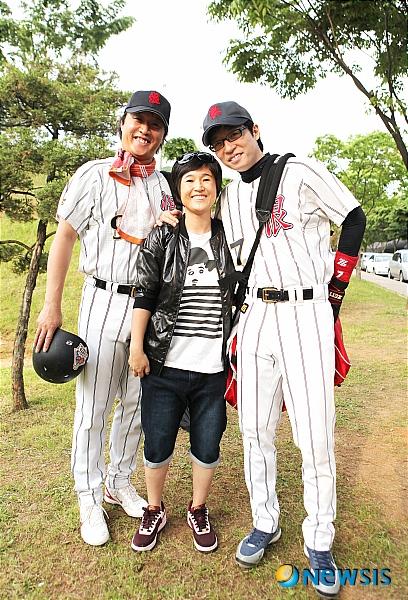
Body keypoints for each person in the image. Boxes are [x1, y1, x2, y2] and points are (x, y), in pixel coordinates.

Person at [201, 101, 366, 598]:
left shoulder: (300, 171)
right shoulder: (229, 195)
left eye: (233, 135)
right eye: (217, 143)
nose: (227, 147)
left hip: (304, 311)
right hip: (255, 316)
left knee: (314, 435)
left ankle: (319, 538)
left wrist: (336, 293)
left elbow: (353, 217)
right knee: (254, 430)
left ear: (255, 130)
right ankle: (265, 521)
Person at [34, 90, 181, 547]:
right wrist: (52, 304)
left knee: (137, 404)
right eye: (138, 120)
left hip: (148, 307)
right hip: (102, 298)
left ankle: (119, 480)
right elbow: (64, 237)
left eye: (154, 124)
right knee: (94, 407)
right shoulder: (95, 174)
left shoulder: (165, 185)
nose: (145, 130)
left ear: (162, 135)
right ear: (123, 123)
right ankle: (89, 494)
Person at [128, 152, 235, 553]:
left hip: (213, 369)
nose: (198, 187)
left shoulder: (231, 237)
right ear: (178, 190)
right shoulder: (163, 236)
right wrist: (137, 347)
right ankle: (154, 509)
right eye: (189, 180)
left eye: (206, 179)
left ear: (217, 187)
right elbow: (145, 293)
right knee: (157, 443)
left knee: (208, 444)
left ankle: (198, 508)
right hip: (164, 365)